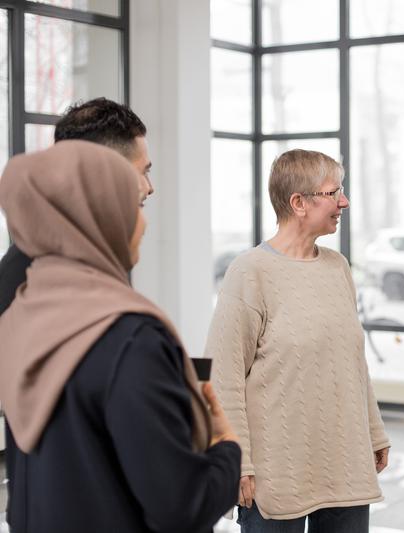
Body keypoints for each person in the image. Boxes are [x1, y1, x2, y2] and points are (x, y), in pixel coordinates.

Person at [0, 141, 241, 532]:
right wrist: (227, 449)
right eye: (135, 208)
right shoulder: (131, 339)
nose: (143, 225)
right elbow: (181, 507)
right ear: (99, 217)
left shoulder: (19, 319)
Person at [206, 149, 390, 533]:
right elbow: (223, 377)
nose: (344, 201)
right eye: (334, 192)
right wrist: (238, 462)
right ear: (298, 203)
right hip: (276, 473)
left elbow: (352, 361)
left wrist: (374, 431)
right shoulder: (250, 272)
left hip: (345, 467)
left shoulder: (337, 267)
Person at [0, 97, 153, 316]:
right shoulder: (32, 278)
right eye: (142, 172)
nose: (148, 188)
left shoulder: (78, 261)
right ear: (104, 175)